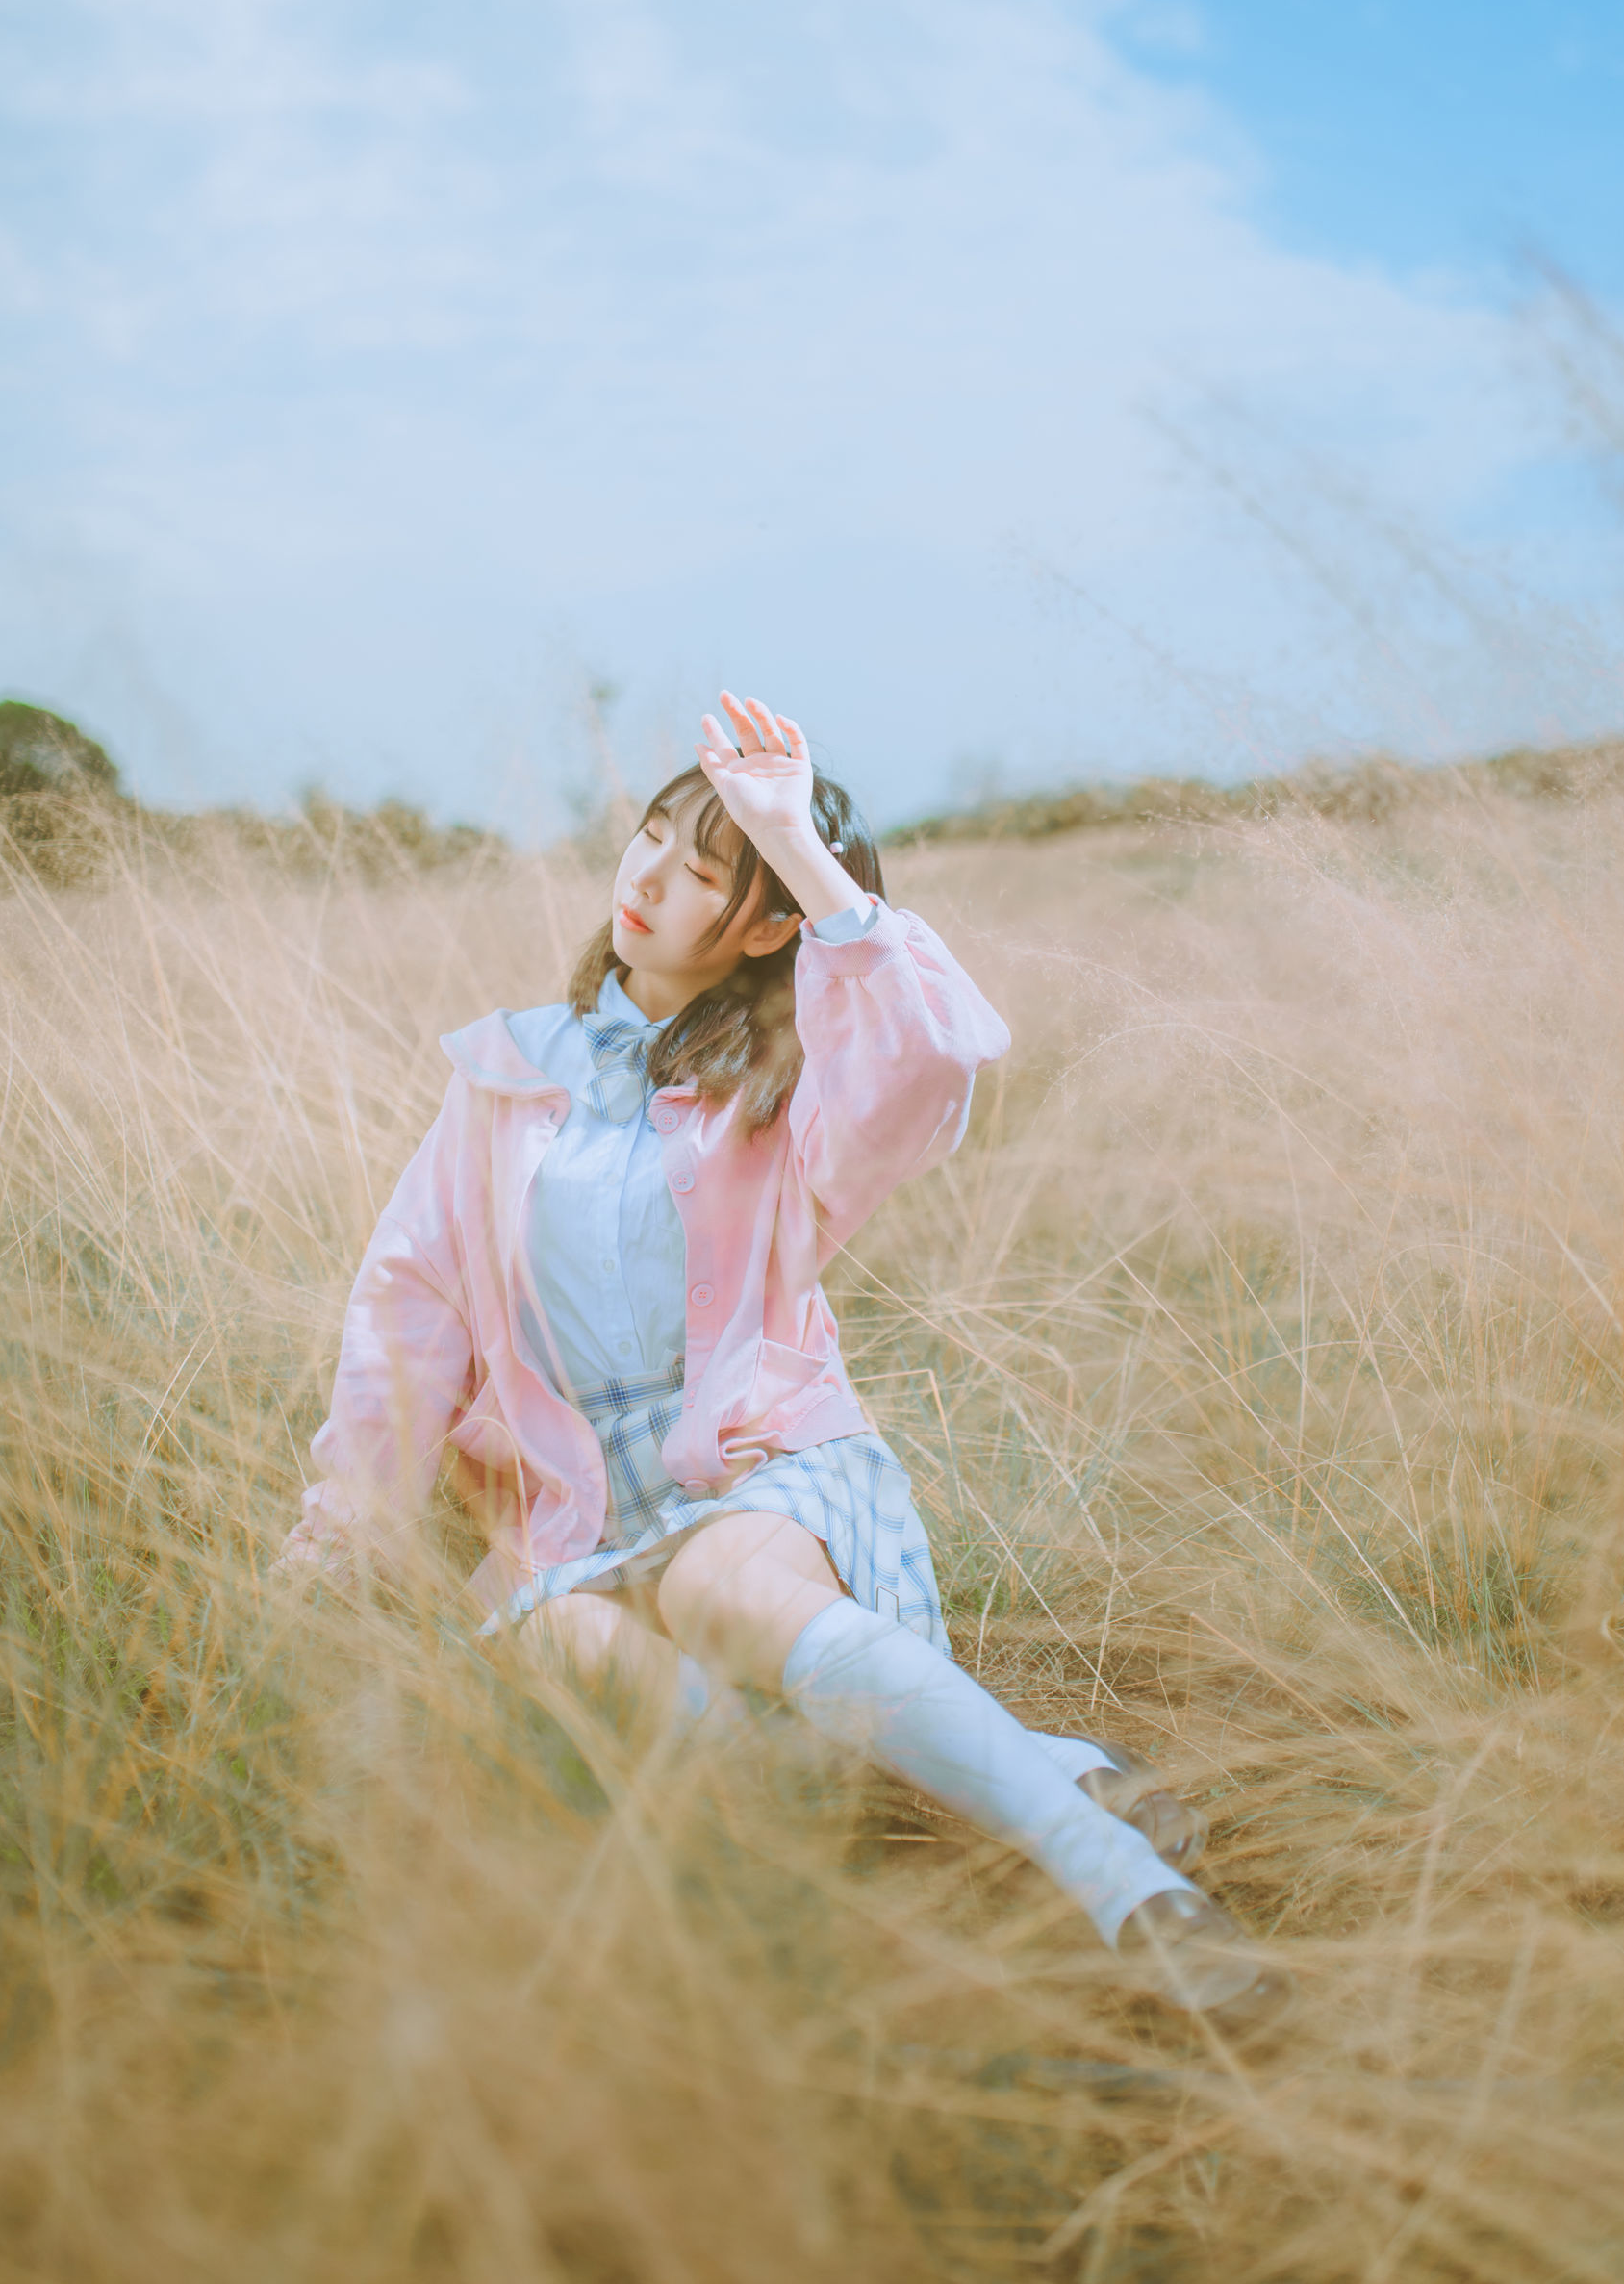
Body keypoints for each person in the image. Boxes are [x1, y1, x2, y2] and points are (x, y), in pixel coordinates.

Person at [276, 693, 1290, 2032]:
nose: (649, 877)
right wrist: (340, 1536)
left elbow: (929, 1060)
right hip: (570, 1518)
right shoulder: (509, 1074)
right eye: (652, 836)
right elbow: (405, 1312)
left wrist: (797, 851)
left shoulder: (790, 1087)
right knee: (592, 1661)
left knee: (724, 1586)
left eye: (704, 871)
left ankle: (1124, 1884)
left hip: (759, 1466)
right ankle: (1027, 1765)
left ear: (763, 927)